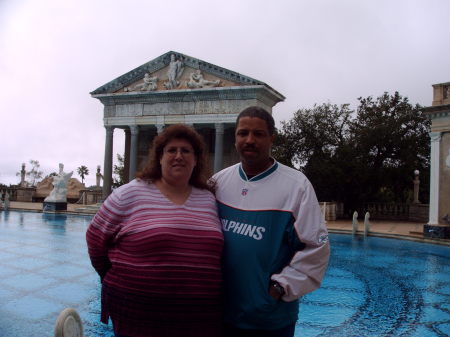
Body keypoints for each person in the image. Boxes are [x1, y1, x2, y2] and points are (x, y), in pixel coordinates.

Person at [86, 124, 224, 337]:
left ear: (196, 159)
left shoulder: (208, 199)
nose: (179, 156)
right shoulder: (129, 194)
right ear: (159, 157)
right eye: (171, 150)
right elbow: (95, 239)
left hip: (199, 314)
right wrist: (114, 276)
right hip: (138, 312)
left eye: (186, 151)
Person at [211, 106, 330, 337]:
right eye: (243, 133)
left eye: (258, 134)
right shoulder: (218, 182)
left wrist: (279, 288)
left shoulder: (296, 186)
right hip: (221, 315)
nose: (249, 140)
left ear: (272, 138)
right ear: (234, 137)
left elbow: (317, 248)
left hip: (270, 320)